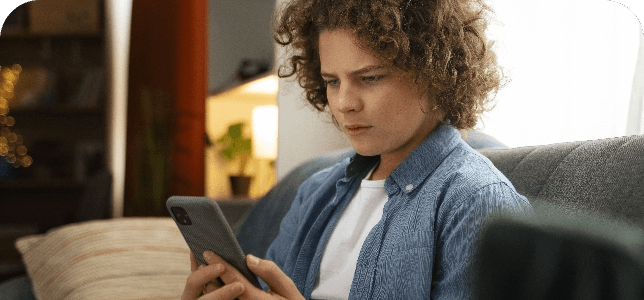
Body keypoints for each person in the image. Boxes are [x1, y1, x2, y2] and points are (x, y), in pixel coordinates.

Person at [182, 0, 532, 299]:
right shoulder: (315, 192)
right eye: (332, 81)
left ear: (434, 74)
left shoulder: (478, 201)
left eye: (370, 78)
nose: (344, 103)